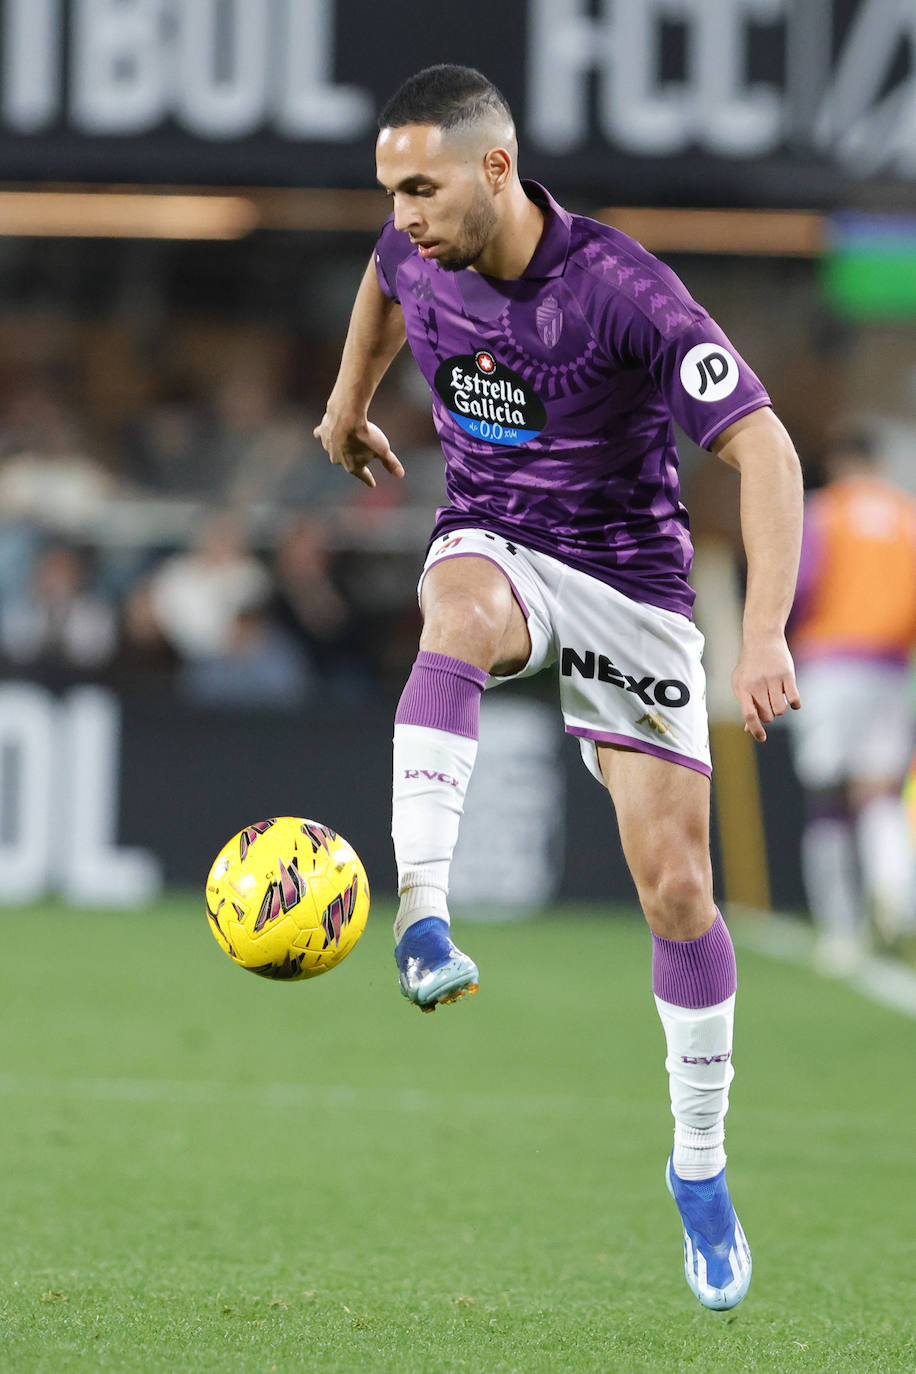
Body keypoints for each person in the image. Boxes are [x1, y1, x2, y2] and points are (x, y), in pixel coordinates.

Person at [314, 65, 803, 1312]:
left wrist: (761, 634)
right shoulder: (414, 246)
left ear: (495, 170)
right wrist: (346, 403)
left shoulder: (621, 292)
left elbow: (765, 446)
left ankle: (698, 1172)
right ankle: (420, 915)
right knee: (458, 608)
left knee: (679, 889)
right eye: (388, 189)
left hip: (631, 587)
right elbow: (381, 282)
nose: (401, 215)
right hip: (494, 538)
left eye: (420, 187)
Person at [788, 421, 916, 972]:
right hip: (890, 668)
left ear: (841, 462)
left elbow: (800, 583)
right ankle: (896, 900)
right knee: (880, 792)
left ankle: (840, 931)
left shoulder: (823, 512)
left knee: (826, 797)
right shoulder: (908, 518)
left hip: (828, 664)